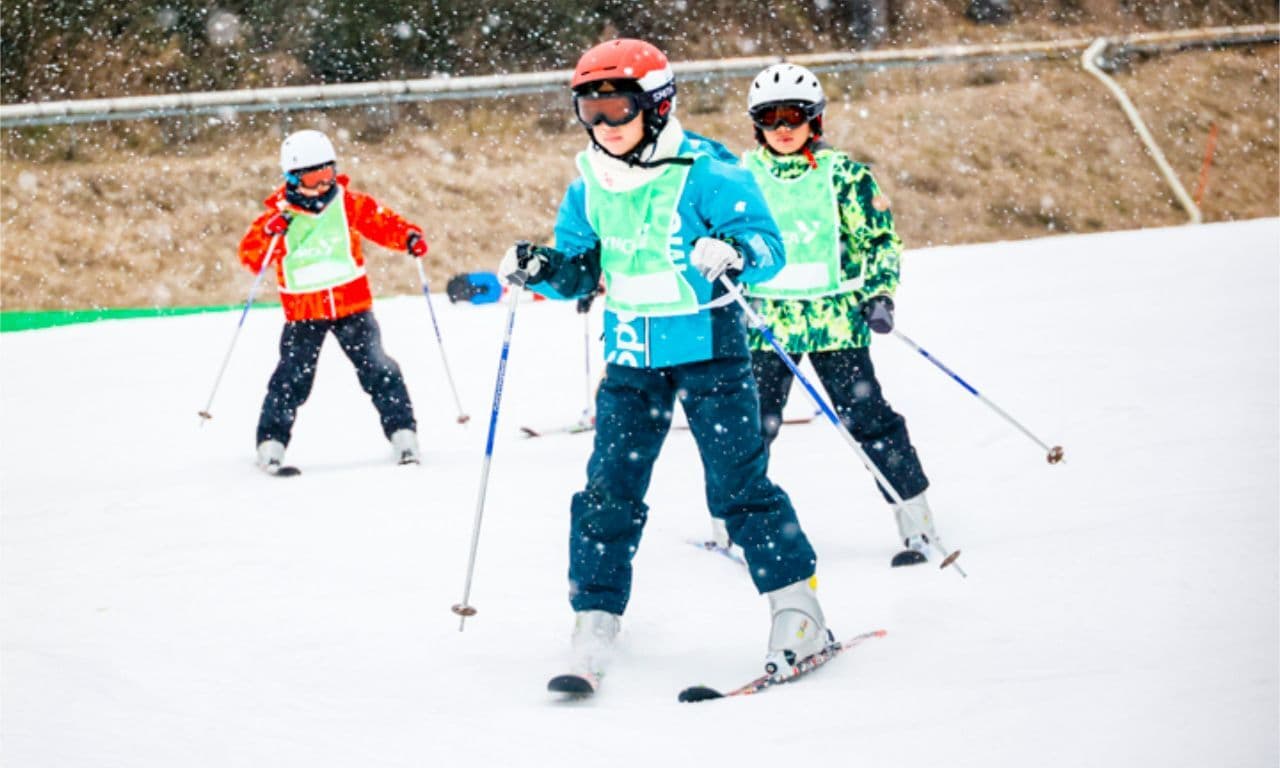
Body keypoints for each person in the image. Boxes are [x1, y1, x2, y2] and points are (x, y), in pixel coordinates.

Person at [496, 39, 833, 684]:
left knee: (738, 485)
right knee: (607, 490)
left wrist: (732, 255)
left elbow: (767, 246)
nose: (603, 126)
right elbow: (582, 269)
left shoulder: (708, 171)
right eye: (587, 111)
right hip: (631, 355)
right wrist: (544, 269)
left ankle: (798, 612)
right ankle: (594, 616)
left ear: (656, 105)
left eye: (616, 109)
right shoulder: (588, 185)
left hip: (711, 350)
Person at [732, 63, 944, 567]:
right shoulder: (740, 177)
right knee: (748, 429)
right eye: (769, 118)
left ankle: (916, 522)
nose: (783, 128)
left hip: (834, 322)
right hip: (766, 325)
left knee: (870, 420)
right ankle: (737, 528)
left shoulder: (846, 176)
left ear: (815, 120)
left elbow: (879, 242)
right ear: (756, 123)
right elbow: (720, 239)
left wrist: (879, 294)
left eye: (794, 116)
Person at [238, 129, 428, 473]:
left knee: (379, 368)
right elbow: (252, 256)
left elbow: (382, 223)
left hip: (351, 305)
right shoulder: (280, 218)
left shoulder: (348, 204)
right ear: (293, 179)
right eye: (314, 177)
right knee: (292, 377)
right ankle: (271, 442)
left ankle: (403, 432)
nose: (324, 185)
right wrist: (270, 234)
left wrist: (408, 237)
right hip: (304, 311)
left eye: (329, 175)